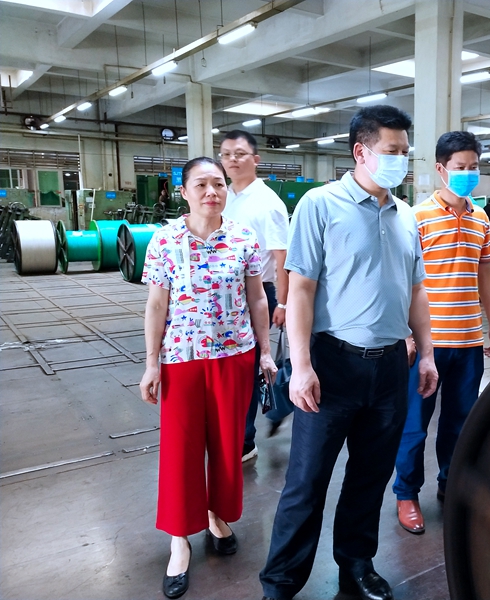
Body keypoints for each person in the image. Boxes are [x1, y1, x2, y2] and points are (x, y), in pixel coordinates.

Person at [258, 105, 438, 600]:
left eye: (406, 152)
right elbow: (301, 290)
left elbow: (416, 291)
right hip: (332, 364)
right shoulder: (320, 205)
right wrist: (300, 366)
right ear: (361, 152)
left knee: (370, 476)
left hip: (390, 368)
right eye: (392, 151)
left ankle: (356, 565)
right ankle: (281, 583)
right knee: (307, 480)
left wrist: (425, 354)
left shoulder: (406, 216)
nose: (401, 160)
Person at [139, 157, 277, 599]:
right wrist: (151, 363)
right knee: (180, 449)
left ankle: (218, 516)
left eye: (218, 184)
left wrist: (266, 351)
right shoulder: (164, 240)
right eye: (200, 185)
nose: (211, 192)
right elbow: (156, 305)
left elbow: (258, 299)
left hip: (234, 355)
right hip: (181, 358)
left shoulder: (243, 237)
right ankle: (179, 538)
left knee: (227, 444)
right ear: (184, 192)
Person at [393, 131, 490, 535]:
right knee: (414, 425)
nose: (468, 174)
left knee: (460, 421)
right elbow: (401, 280)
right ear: (441, 169)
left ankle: (450, 483)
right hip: (429, 344)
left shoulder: (481, 218)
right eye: (460, 168)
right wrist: (407, 336)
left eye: (474, 167)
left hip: (468, 341)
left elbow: (486, 273)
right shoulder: (416, 217)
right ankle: (406, 494)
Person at [218, 130, 291, 462]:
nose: (232, 160)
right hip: (224, 295)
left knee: (248, 368)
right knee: (230, 366)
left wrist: (284, 303)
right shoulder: (224, 196)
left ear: (256, 160)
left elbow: (282, 257)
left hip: (259, 292)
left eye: (240, 154)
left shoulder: (267, 203)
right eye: (226, 154)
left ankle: (245, 441)